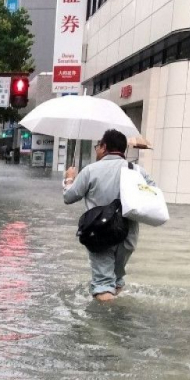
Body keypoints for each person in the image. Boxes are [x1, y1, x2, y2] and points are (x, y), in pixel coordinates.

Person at [63, 129, 156, 302]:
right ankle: (117, 311)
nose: (96, 149)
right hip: (128, 234)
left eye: (98, 145)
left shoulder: (91, 170)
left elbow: (69, 197)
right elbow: (152, 196)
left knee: (103, 283)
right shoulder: (138, 171)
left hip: (99, 233)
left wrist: (69, 179)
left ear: (104, 147)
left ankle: (108, 324)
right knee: (117, 279)